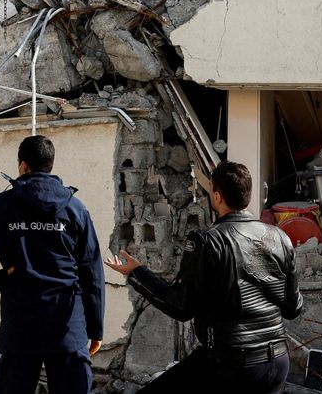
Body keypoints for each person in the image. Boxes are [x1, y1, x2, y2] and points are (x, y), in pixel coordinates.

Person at [105, 162, 302, 392]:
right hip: (277, 363)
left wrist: (137, 272)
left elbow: (181, 306)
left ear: (217, 196)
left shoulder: (207, 240)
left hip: (229, 365)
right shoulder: (280, 237)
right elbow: (293, 308)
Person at [0, 135, 106, 394]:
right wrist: (96, 328)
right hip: (67, 324)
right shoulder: (76, 209)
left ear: (23, 166)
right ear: (50, 165)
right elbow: (92, 270)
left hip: (20, 324)